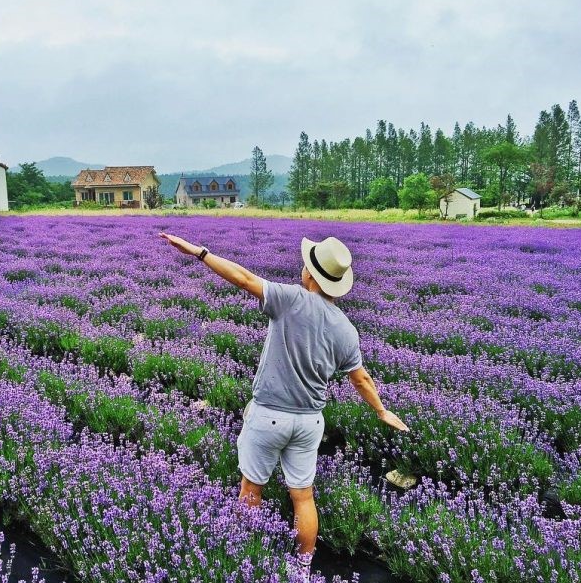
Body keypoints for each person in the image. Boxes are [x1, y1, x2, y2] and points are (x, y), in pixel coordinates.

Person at [159, 232, 409, 580]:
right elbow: (361, 380)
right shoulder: (346, 330)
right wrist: (382, 411)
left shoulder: (290, 299)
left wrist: (200, 252)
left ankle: (245, 555)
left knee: (251, 488)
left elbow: (244, 278)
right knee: (303, 498)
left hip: (269, 417)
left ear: (310, 275)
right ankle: (304, 568)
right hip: (309, 423)